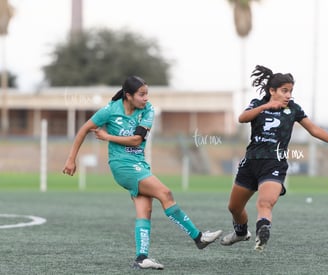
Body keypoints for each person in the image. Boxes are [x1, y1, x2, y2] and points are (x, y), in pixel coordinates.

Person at [63, 76, 222, 270]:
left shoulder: (148, 110)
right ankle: (198, 237)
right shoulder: (110, 110)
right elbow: (84, 129)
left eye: (147, 93)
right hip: (122, 166)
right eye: (142, 94)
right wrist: (71, 159)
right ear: (128, 96)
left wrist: (106, 136)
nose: (146, 98)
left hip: (139, 164)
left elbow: (137, 140)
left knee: (145, 210)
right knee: (165, 193)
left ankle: (141, 258)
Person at [220, 65, 328, 251]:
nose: (288, 95)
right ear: (272, 91)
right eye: (284, 91)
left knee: (265, 202)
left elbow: (314, 130)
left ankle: (263, 230)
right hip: (251, 162)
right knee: (234, 207)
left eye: (290, 91)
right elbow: (242, 118)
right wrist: (266, 106)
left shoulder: (293, 109)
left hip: (274, 163)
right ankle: (241, 233)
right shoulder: (257, 104)